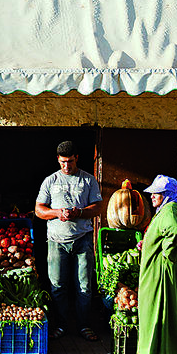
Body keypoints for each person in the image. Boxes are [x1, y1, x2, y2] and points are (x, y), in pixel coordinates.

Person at [35, 140, 103, 341]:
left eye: (70, 161)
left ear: (77, 158)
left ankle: (84, 325)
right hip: (56, 241)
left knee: (84, 286)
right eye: (63, 162)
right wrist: (57, 213)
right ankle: (61, 325)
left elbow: (98, 207)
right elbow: (39, 210)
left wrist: (79, 212)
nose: (67, 166)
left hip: (82, 239)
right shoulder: (50, 181)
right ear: (58, 159)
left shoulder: (88, 180)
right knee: (57, 285)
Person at [137, 175, 177, 354]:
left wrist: (166, 253)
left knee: (168, 312)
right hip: (172, 268)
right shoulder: (172, 209)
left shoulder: (169, 210)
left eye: (158, 193)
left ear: (167, 194)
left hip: (167, 270)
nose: (152, 196)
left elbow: (173, 231)